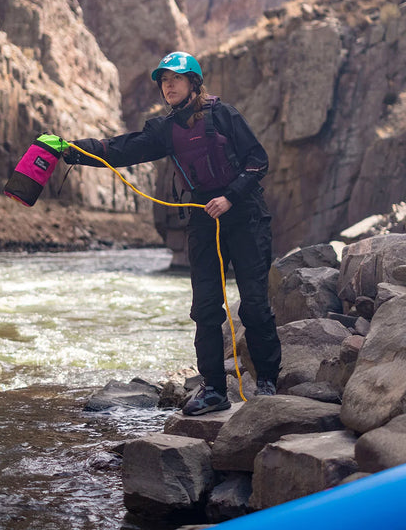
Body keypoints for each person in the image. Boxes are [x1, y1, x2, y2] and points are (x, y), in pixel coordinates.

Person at [63, 51, 282, 415]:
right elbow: (120, 149)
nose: (168, 85)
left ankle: (268, 382)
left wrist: (230, 197)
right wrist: (70, 150)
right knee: (205, 308)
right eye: (164, 80)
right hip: (201, 218)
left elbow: (258, 161)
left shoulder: (225, 115)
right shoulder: (164, 130)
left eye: (176, 78)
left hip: (245, 214)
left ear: (194, 82)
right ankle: (213, 389)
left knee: (256, 305)